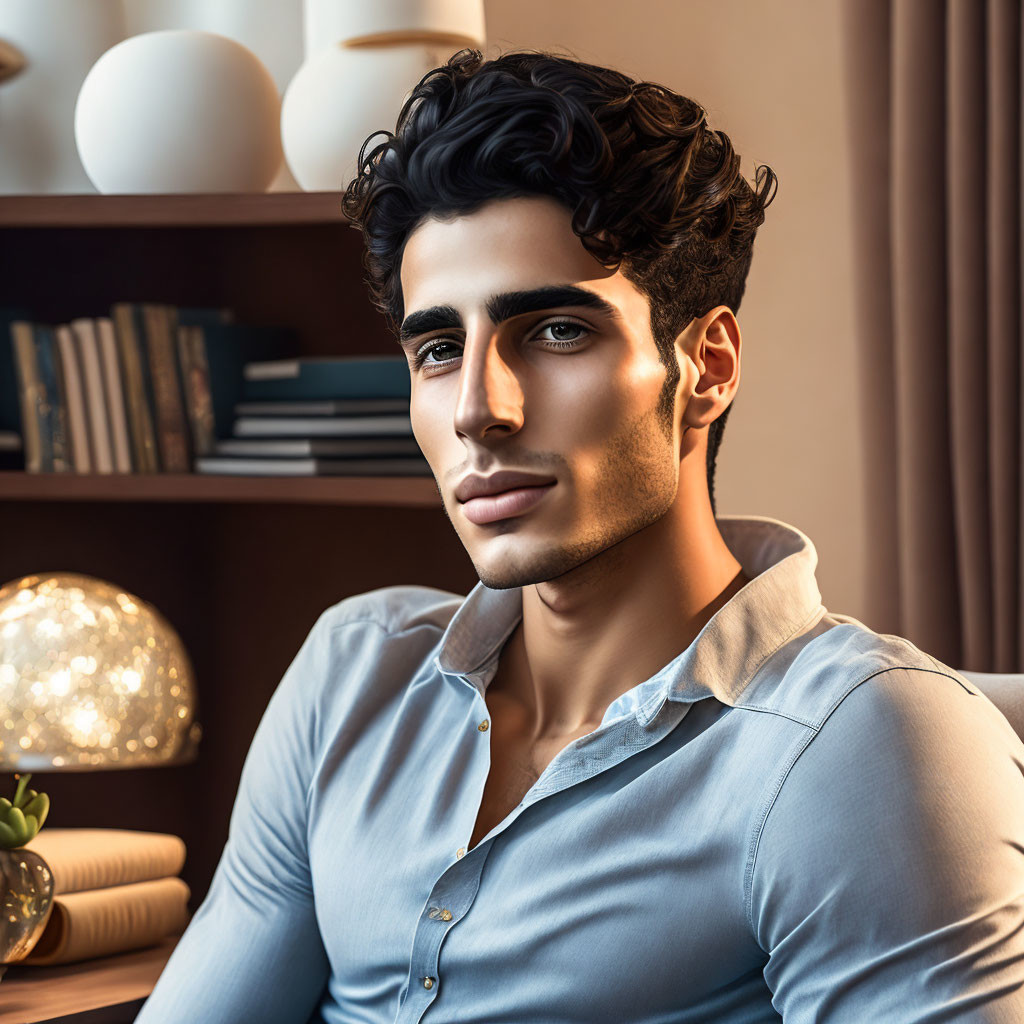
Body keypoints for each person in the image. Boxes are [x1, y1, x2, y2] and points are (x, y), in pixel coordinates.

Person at [136, 48, 1024, 1023]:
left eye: (556, 331)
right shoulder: (353, 676)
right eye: (438, 349)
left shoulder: (862, 745)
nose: (479, 408)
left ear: (708, 364)